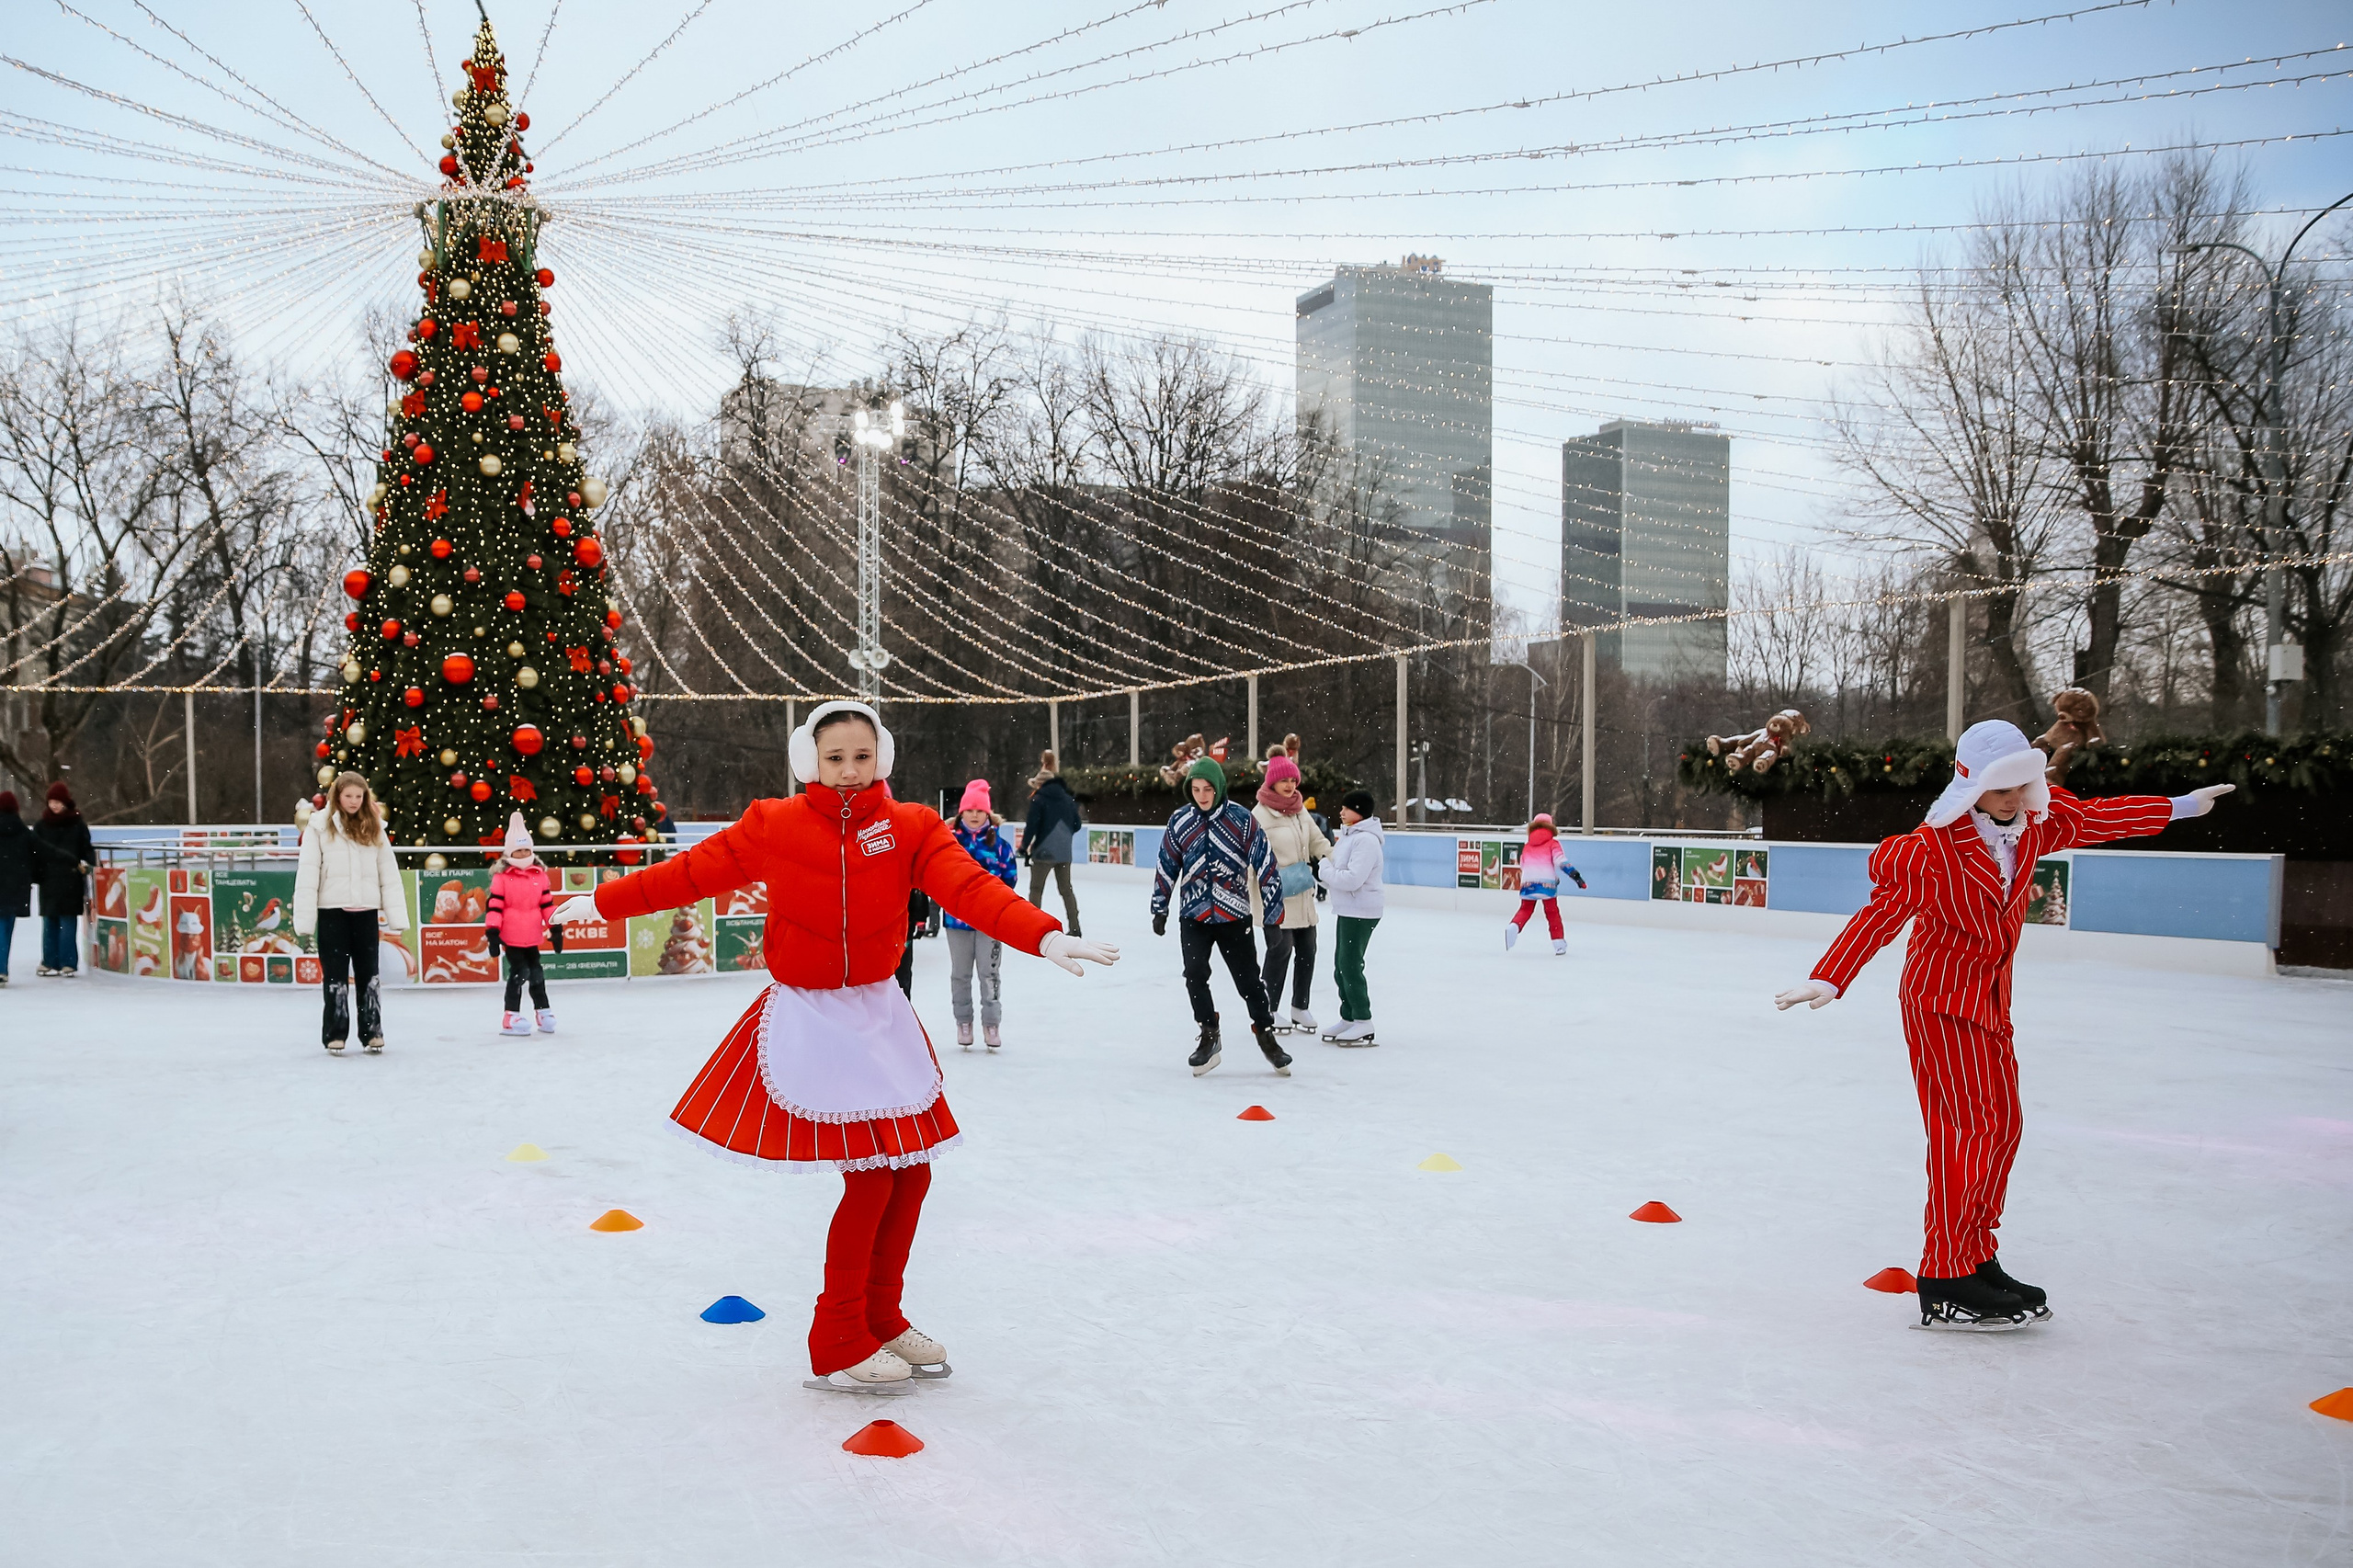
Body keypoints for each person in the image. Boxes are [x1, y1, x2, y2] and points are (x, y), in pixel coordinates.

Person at [549, 701, 1119, 1395]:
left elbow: (971, 890)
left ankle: (880, 1315)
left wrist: (1045, 934)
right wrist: (605, 904)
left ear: (881, 757)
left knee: (912, 1172)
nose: (848, 772)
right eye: (833, 759)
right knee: (874, 1175)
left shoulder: (910, 828)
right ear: (808, 763)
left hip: (879, 1014)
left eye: (860, 757)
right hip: (814, 1018)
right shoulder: (776, 825)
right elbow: (692, 873)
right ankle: (838, 1331)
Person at [1774, 720, 2234, 1332]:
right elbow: (1881, 913)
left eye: (2023, 786)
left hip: (1990, 1001)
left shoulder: (2036, 825)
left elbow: (2099, 818)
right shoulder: (1931, 849)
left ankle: (1975, 1255)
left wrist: (2177, 808)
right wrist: (1831, 976)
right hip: (1940, 1002)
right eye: (2001, 791)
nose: (2015, 800)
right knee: (1967, 1130)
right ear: (1971, 787)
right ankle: (1945, 1271)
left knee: (2003, 1128)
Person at [1151, 755, 1289, 1077]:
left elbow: (1267, 867)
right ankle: (1209, 1033)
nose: (1201, 796)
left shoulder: (1242, 820)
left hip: (1234, 916)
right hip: (1194, 915)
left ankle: (1266, 1034)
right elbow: (1166, 865)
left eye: (1207, 789)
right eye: (1196, 789)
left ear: (1219, 788)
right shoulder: (1180, 821)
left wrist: (1272, 918)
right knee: (1195, 975)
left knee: (1249, 981)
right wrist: (1159, 906)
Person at [292, 771, 407, 1054]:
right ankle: (335, 1033)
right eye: (348, 796)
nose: (354, 802)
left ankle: (372, 1032)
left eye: (359, 796)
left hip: (365, 912)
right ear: (337, 796)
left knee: (369, 975)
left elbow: (388, 875)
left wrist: (397, 917)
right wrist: (305, 919)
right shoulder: (318, 827)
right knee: (335, 976)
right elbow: (308, 875)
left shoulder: (375, 827)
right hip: (333, 913)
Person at [1251, 753, 1331, 1034]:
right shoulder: (1259, 815)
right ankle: (1268, 1009)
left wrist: (1335, 858)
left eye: (1292, 780)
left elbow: (1317, 841)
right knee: (1280, 950)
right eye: (1283, 780)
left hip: (1300, 893)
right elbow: (1252, 858)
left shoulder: (1299, 810)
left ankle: (1300, 1006)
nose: (1288, 785)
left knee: (1308, 949)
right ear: (1271, 783)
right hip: (1273, 896)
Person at [944, 780, 1017, 1050]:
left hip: (990, 922)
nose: (974, 815)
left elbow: (1010, 878)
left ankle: (991, 1023)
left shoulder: (999, 845)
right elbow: (939, 876)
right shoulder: (948, 841)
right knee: (960, 974)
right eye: (969, 810)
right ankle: (963, 1021)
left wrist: (995, 903)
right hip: (957, 921)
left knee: (989, 974)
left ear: (988, 813)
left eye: (979, 810)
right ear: (961, 813)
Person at [483, 812, 563, 1037]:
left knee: (537, 973)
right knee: (520, 973)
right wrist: (492, 933)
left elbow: (547, 904)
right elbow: (495, 907)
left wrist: (555, 927)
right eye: (519, 851)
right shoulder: (502, 877)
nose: (524, 854)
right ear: (510, 853)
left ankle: (543, 1011)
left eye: (527, 850)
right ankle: (510, 1016)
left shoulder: (539, 876)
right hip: (511, 936)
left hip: (532, 935)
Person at [1322, 790, 1385, 1044]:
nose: (1341, 812)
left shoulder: (1366, 841)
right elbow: (1340, 875)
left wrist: (1324, 869)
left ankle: (1363, 1019)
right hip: (1347, 909)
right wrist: (1328, 871)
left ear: (1359, 811)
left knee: (1350, 965)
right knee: (1341, 966)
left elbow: (1351, 879)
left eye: (1346, 808)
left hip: (1361, 910)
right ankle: (1348, 1017)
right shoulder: (1349, 836)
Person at [30, 782, 94, 977]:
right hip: (48, 879)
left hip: (70, 879)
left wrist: (86, 867)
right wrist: (36, 874)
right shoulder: (42, 826)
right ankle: (49, 961)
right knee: (49, 921)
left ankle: (68, 963)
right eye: (51, 802)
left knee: (67, 922)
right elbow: (34, 852)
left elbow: (86, 849)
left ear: (65, 802)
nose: (54, 806)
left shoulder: (77, 824)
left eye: (57, 802)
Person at [1506, 812, 1587, 955]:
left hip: (1528, 882)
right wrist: (1576, 876)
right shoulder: (1553, 843)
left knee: (1525, 909)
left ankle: (1514, 926)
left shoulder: (1527, 846)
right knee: (1552, 912)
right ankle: (1559, 943)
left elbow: (1523, 865)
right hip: (1547, 884)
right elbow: (1561, 862)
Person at [1020, 750, 1083, 937]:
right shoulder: (1068, 799)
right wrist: (1063, 836)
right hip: (1065, 852)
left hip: (1044, 852)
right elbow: (1077, 825)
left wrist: (1024, 847)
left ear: (1040, 784)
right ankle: (1075, 927)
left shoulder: (1038, 799)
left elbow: (1032, 826)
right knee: (1066, 889)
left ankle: (1033, 927)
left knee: (1036, 889)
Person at [0, 791, 30, 984]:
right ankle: (2, 968)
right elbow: (39, 852)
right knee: (6, 928)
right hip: (15, 887)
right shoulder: (23, 832)